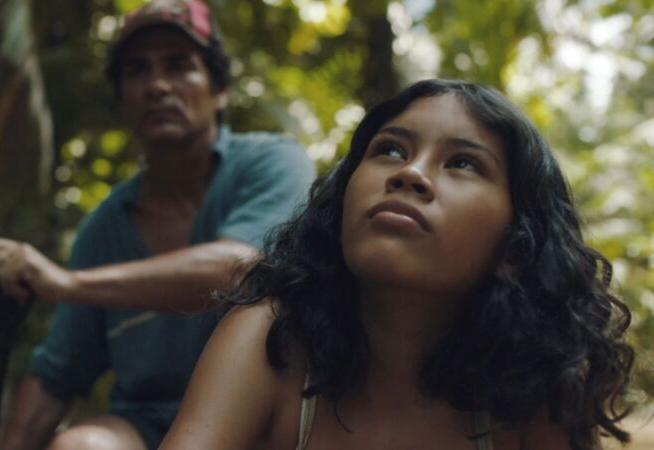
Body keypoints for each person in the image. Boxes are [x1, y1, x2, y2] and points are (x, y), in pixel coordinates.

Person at [159, 79, 634, 450]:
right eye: (389, 150)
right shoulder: (271, 337)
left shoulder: (541, 383)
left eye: (463, 163)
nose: (410, 173)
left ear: (515, 250)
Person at [0, 1, 315, 449]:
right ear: (122, 99)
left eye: (178, 66)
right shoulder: (105, 228)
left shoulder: (272, 162)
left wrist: (67, 283)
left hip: (260, 426)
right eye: (137, 70)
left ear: (219, 91)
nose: (157, 86)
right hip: (147, 425)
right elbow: (55, 375)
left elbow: (240, 268)